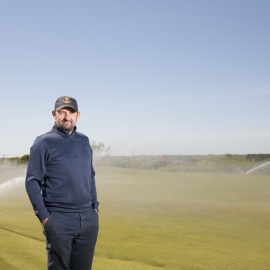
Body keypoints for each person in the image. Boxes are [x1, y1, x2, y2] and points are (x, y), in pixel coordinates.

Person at [25, 96, 99, 270]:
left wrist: (94, 207)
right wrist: (45, 218)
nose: (67, 117)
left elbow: (91, 175)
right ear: (54, 114)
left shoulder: (84, 141)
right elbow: (32, 182)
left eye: (71, 112)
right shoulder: (43, 142)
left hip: (88, 219)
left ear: (78, 115)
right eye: (62, 112)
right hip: (59, 220)